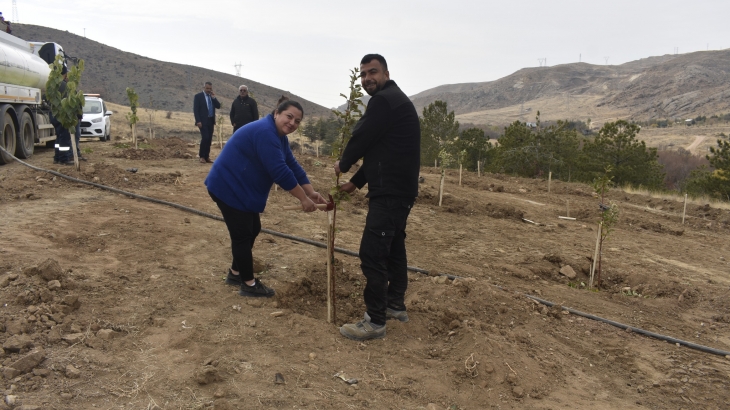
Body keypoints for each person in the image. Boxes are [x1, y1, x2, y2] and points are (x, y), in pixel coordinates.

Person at [334, 54, 421, 341]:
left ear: (385, 73)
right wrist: (357, 182)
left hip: (390, 193)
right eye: (362, 74)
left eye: (373, 72)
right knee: (394, 247)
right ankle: (395, 304)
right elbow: (384, 151)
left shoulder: (383, 101)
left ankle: (375, 321)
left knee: (372, 252)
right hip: (399, 190)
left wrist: (344, 163)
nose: (367, 78)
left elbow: (363, 137)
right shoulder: (395, 101)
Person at [206, 99, 328, 297]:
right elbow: (280, 172)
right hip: (228, 187)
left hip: (241, 188)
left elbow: (292, 165)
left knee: (253, 229)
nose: (292, 123)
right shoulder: (265, 132)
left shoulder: (279, 137)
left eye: (297, 121)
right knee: (242, 235)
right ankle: (249, 284)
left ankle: (236, 273)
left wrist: (311, 192)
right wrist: (302, 199)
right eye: (289, 116)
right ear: (276, 113)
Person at [193, 81, 220, 163]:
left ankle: (207, 157)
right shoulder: (198, 96)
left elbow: (218, 106)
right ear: (204, 88)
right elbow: (196, 110)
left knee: (209, 139)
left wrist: (214, 97)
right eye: (207, 88)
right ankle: (201, 156)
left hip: (211, 121)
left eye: (210, 89)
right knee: (205, 138)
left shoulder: (211, 97)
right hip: (202, 121)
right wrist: (198, 121)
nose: (208, 90)